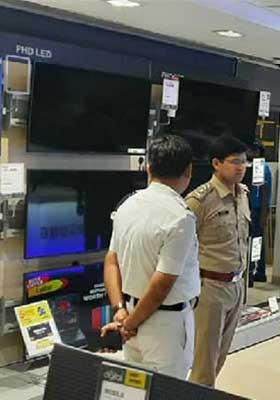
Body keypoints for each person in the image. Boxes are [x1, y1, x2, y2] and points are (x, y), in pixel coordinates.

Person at [102, 135, 200, 379]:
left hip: (130, 314)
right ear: (189, 171)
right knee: (167, 390)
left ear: (149, 168)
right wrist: (131, 323)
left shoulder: (127, 205)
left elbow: (111, 261)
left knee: (135, 388)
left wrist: (120, 310)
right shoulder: (180, 217)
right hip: (165, 325)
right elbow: (161, 285)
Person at [186, 135, 251, 386]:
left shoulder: (243, 194)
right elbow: (180, 245)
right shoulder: (200, 200)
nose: (241, 167)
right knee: (204, 362)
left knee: (219, 358)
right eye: (235, 162)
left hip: (236, 286)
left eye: (244, 162)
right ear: (216, 163)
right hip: (210, 289)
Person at [249, 140, 272, 284]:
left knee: (255, 241)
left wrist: (264, 214)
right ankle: (258, 270)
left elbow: (264, 193)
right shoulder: (255, 166)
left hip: (256, 209)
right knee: (257, 241)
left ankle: (254, 271)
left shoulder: (261, 167)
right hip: (254, 208)